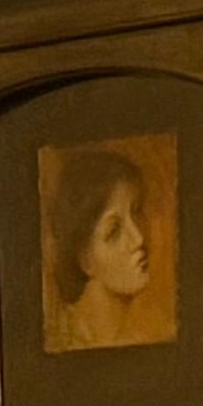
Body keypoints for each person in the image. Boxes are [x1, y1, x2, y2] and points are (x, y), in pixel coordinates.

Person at [42, 146, 171, 352]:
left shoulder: (142, 332)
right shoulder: (70, 342)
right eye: (114, 231)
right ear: (85, 260)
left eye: (136, 211)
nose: (138, 238)